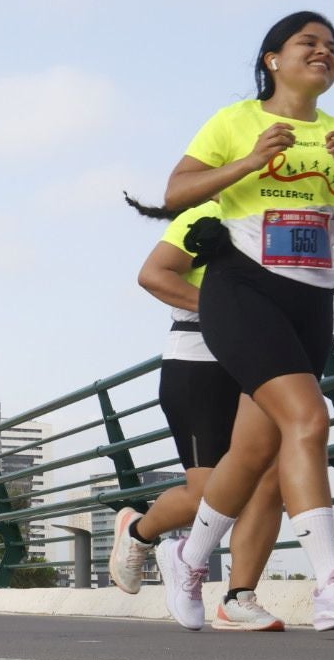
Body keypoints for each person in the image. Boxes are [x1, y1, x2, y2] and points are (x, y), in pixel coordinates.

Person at [158, 11, 334, 632]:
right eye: (309, 43)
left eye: (333, 48)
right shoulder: (236, 120)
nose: (324, 53)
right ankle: (332, 583)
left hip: (312, 298)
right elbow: (175, 192)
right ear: (273, 59)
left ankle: (189, 557)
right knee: (309, 417)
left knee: (255, 447)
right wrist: (248, 162)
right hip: (243, 288)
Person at [108, 198, 287, 631]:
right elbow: (153, 274)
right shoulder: (211, 212)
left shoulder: (289, 222)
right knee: (210, 491)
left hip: (260, 361)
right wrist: (224, 310)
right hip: (198, 363)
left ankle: (238, 598)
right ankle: (140, 532)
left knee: (269, 481)